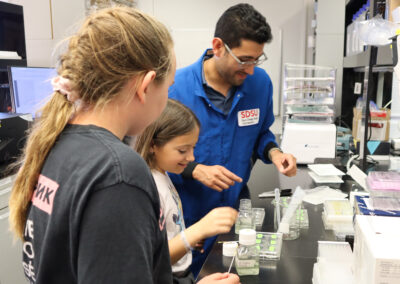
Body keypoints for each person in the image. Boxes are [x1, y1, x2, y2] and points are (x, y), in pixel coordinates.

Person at [8, 7, 239, 284]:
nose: (167, 98)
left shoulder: (58, 144)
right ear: (146, 85)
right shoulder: (118, 172)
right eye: (168, 88)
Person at [168, 3, 297, 275]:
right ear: (218, 46)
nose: (250, 70)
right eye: (243, 60)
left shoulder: (259, 83)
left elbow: (261, 132)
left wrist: (275, 153)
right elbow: (151, 153)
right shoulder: (175, 88)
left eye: (256, 60)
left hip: (235, 213)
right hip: (189, 219)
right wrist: (195, 169)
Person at [135, 99, 238, 283]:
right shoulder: (149, 187)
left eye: (193, 147)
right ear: (153, 145)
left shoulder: (163, 175)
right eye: (182, 150)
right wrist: (197, 231)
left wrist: (186, 239)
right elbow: (152, 260)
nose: (191, 157)